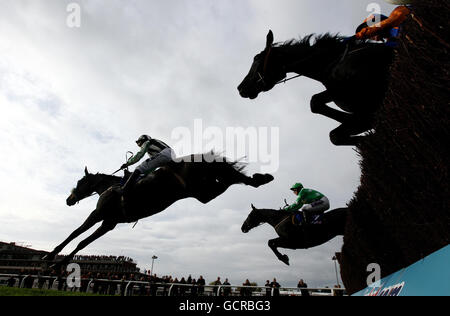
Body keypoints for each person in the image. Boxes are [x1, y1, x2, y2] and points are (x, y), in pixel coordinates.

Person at [118, 135, 174, 207]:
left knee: (140, 167)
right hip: (172, 156)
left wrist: (127, 164)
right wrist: (144, 174)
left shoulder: (147, 142)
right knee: (147, 168)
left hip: (165, 155)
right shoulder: (155, 147)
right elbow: (152, 166)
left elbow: (139, 155)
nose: (139, 145)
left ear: (143, 140)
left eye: (139, 143)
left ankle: (124, 189)